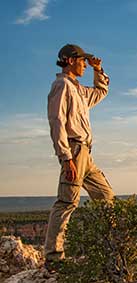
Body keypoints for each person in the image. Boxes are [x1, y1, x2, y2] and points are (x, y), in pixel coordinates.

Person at [44, 44, 114, 267]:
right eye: (82, 60)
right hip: (74, 151)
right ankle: (54, 258)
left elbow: (101, 91)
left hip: (85, 152)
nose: (85, 63)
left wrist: (97, 70)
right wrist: (66, 158)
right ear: (69, 60)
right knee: (67, 201)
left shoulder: (78, 89)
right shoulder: (61, 85)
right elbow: (56, 122)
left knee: (105, 195)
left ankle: (109, 248)